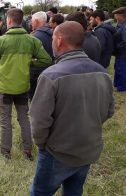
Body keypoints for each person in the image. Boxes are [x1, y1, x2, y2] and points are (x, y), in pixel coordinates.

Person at [29, 21, 114, 196]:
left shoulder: (51, 75)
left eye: (53, 38)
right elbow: (109, 110)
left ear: (59, 40)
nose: (52, 42)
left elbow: (39, 121)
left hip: (57, 152)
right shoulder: (103, 72)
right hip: (88, 148)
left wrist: (43, 144)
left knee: (39, 193)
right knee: (74, 192)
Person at [0, 8, 52, 160]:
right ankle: (28, 150)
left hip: (4, 88)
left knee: (5, 121)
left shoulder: (1, 41)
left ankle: (5, 152)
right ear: (21, 21)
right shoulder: (32, 40)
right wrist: (29, 61)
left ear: (9, 21)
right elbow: (46, 60)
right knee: (24, 119)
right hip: (23, 87)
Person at [29, 11, 53, 100]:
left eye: (32, 21)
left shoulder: (33, 37)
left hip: (37, 73)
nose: (31, 23)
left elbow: (30, 56)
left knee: (35, 98)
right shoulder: (55, 33)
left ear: (36, 21)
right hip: (53, 70)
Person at [112, 7, 126, 92]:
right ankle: (117, 84)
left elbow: (125, 41)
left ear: (122, 16)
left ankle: (123, 87)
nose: (115, 17)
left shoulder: (125, 26)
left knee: (122, 69)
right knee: (118, 68)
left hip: (123, 53)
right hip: (120, 53)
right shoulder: (121, 25)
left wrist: (116, 47)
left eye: (116, 15)